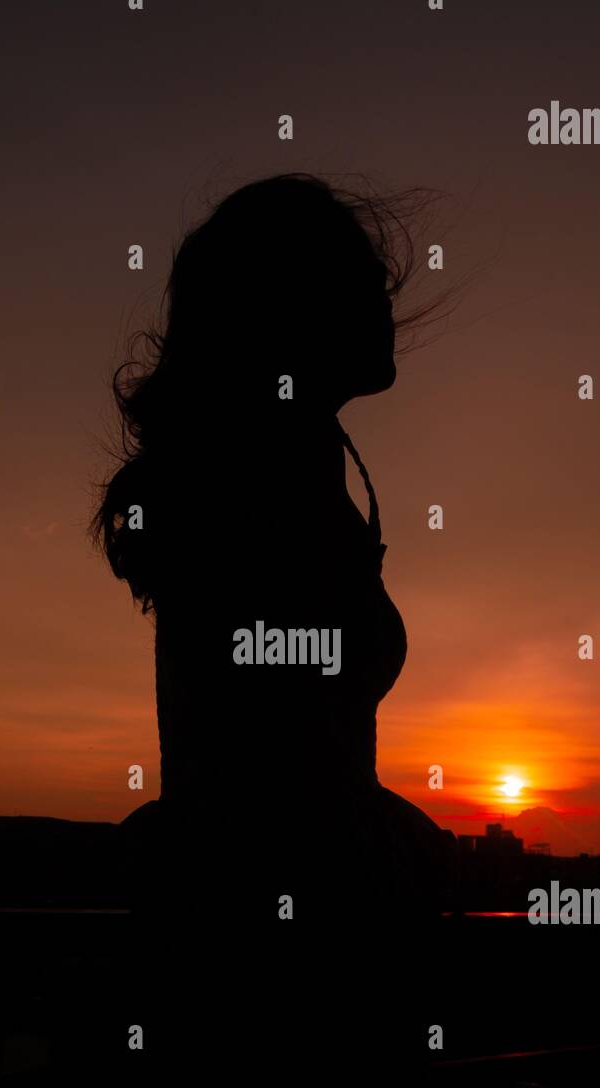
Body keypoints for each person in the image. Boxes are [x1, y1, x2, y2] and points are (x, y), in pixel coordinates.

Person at [92, 173, 457, 923]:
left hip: (283, 902)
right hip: (279, 923)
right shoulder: (256, 472)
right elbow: (267, 765)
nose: (386, 299)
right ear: (294, 303)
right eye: (365, 280)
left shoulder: (302, 457)